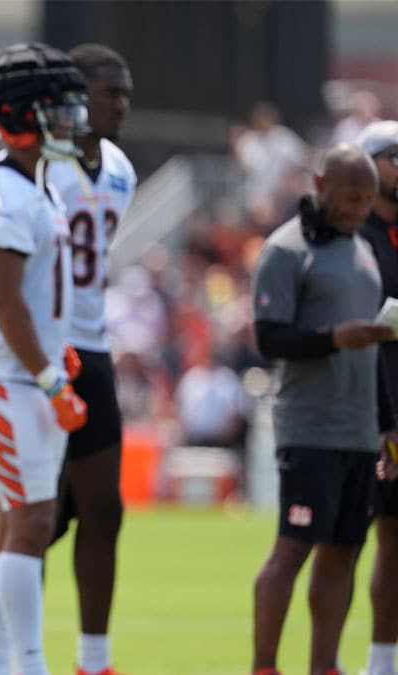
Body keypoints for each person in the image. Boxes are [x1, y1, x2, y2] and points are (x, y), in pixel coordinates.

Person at [0, 42, 89, 675]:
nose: (71, 121)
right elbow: (7, 306)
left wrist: (54, 360)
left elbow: (34, 301)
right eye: (58, 109)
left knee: (17, 522)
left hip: (25, 376)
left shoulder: (36, 187)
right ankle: (26, 664)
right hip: (8, 379)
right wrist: (49, 378)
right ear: (22, 114)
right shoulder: (3, 194)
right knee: (32, 522)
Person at [250, 143, 392, 675]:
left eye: (366, 200)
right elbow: (269, 339)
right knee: (293, 548)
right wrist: (337, 338)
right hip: (309, 426)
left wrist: (386, 426)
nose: (358, 209)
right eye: (350, 197)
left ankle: (324, 666)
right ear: (320, 183)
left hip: (358, 432)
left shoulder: (363, 253)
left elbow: (372, 351)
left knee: (343, 551)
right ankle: (264, 666)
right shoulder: (285, 251)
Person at [43, 43, 136, 675]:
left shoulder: (122, 170)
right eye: (112, 93)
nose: (122, 105)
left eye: (126, 93)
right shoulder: (42, 166)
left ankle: (93, 660)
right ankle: (12, 651)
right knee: (34, 519)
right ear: (77, 96)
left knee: (105, 508)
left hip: (94, 350)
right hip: (43, 348)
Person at [353, 121, 398, 675]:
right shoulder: (349, 233)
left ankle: (381, 663)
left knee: (395, 541)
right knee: (338, 542)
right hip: (359, 408)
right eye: (395, 156)